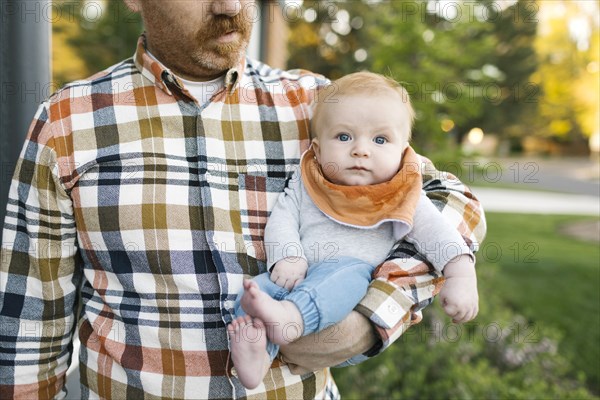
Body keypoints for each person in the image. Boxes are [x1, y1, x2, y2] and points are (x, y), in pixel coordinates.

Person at [0, 1, 486, 398]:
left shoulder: (316, 107)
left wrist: (371, 317)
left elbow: (448, 199)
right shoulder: (67, 121)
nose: (230, 6)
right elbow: (31, 317)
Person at [227, 72, 479, 389]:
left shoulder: (401, 194)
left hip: (351, 281)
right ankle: (257, 356)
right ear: (317, 150)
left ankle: (290, 319)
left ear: (403, 153)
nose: (361, 150)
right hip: (298, 274)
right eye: (344, 137)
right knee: (256, 290)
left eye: (380, 140)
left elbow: (438, 233)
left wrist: (460, 275)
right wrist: (287, 257)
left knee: (346, 275)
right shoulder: (309, 180)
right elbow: (283, 218)